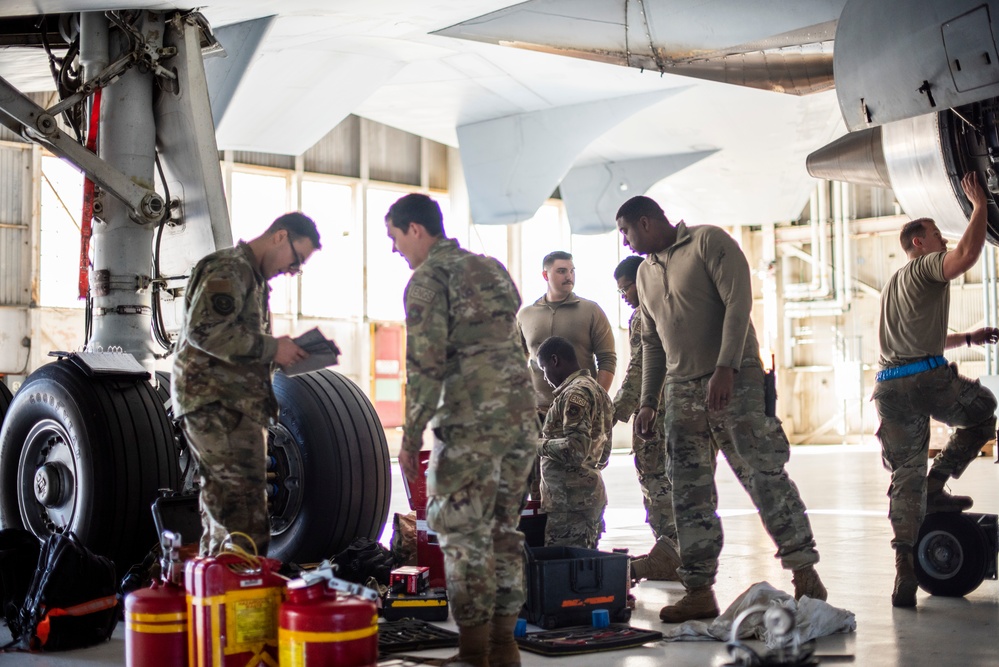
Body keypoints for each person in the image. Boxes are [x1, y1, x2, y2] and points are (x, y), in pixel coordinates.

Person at [615, 195, 826, 623]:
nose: (625, 241)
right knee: (688, 493)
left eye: (626, 231)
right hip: (680, 390)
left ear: (645, 221)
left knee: (762, 475)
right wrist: (649, 402)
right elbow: (652, 343)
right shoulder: (644, 273)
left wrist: (727, 366)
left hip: (734, 379)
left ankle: (805, 573)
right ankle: (698, 590)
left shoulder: (708, 242)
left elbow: (738, 303)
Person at [386, 193, 537, 667]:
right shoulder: (491, 267)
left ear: (416, 230)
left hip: (471, 425)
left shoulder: (427, 279)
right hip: (519, 421)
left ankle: (473, 653)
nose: (395, 250)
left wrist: (410, 438)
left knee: (462, 535)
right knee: (504, 533)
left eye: (394, 238)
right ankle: (504, 647)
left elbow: (425, 365)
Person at [872, 172, 998, 608]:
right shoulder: (927, 266)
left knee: (903, 474)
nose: (942, 241)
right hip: (926, 381)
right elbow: (965, 255)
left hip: (889, 387)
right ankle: (938, 481)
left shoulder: (894, 286)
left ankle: (905, 565)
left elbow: (920, 340)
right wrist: (980, 206)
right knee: (984, 411)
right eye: (935, 236)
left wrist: (967, 338)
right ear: (918, 244)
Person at [172, 212, 320, 556]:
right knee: (241, 518)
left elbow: (239, 345)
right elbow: (205, 332)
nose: (291, 270)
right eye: (296, 260)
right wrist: (273, 347)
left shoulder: (252, 280)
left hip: (236, 407)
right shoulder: (229, 270)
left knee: (227, 515)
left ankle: (215, 596)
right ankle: (238, 600)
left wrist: (282, 355)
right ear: (280, 236)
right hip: (215, 404)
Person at [612, 255, 680, 581]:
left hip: (653, 413)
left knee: (656, 482)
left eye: (626, 288)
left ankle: (671, 552)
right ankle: (672, 550)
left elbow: (640, 367)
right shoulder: (669, 304)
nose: (624, 295)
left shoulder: (644, 315)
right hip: (672, 408)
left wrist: (615, 411)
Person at [517, 250, 617, 418]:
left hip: (580, 407)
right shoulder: (525, 315)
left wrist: (596, 400)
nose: (569, 276)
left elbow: (607, 359)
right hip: (537, 411)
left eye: (572, 271)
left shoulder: (591, 310)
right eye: (561, 271)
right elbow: (518, 361)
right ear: (545, 275)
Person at [536, 335, 614, 548]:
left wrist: (537, 445)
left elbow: (576, 449)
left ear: (555, 360)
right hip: (588, 499)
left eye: (543, 369)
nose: (545, 377)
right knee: (583, 573)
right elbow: (604, 452)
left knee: (565, 575)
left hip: (570, 505)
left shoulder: (574, 394)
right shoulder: (598, 390)